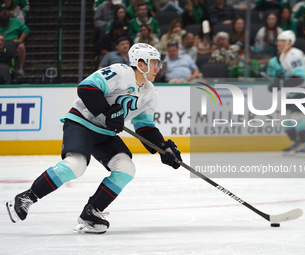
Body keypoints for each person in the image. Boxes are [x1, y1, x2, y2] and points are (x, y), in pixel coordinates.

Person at [6, 43, 182, 234]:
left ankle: (92, 212)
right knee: (76, 165)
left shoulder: (149, 93)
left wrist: (164, 148)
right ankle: (26, 197)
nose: (159, 68)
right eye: (154, 63)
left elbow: (144, 126)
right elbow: (86, 87)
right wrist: (108, 113)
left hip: (104, 133)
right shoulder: (120, 72)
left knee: (126, 168)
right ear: (140, 64)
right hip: (81, 123)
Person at [266, 30, 305, 156]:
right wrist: (278, 82)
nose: (279, 43)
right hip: (296, 88)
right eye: (279, 41)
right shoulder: (284, 56)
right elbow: (289, 76)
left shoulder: (295, 54)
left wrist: (281, 84)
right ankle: (296, 142)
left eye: (282, 41)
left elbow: (300, 77)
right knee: (284, 116)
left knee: (296, 114)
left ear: (289, 42)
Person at [0, 3, 28, 76]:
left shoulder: (15, 21)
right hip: (1, 43)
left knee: (21, 47)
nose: (4, 13)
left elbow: (26, 30)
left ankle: (20, 69)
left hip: (13, 42)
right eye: (2, 12)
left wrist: (20, 40)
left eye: (6, 11)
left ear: (9, 13)